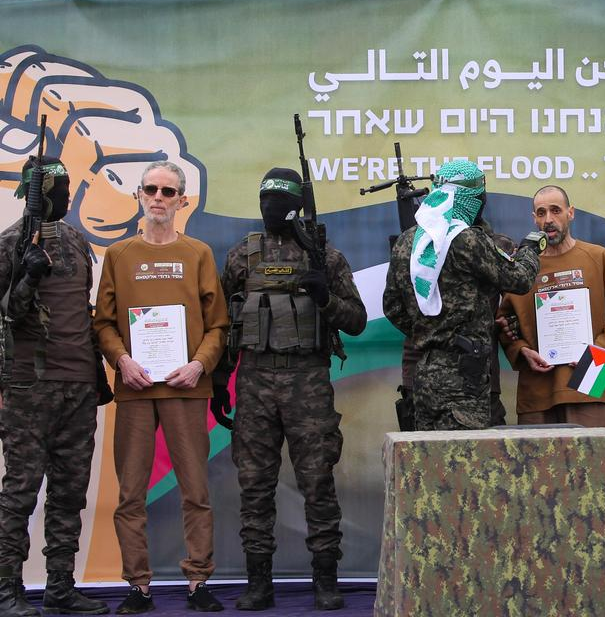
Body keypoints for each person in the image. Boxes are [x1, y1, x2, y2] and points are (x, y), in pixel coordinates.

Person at [215, 168, 367, 610]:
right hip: (255, 379)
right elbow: (226, 324)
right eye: (265, 200)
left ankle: (325, 579)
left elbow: (355, 321)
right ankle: (259, 583)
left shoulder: (326, 258)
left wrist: (325, 298)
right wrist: (219, 382)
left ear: (296, 206)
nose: (270, 209)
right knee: (255, 484)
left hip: (308, 382)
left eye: (280, 202)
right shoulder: (242, 257)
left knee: (318, 482)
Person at [93, 161, 228, 613]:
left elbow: (219, 326)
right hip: (134, 389)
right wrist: (122, 359)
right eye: (150, 189)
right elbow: (104, 324)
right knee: (130, 492)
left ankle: (198, 582)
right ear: (138, 195)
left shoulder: (199, 254)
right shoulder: (118, 256)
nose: (157, 197)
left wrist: (198, 365)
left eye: (167, 192)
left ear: (181, 201)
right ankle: (138, 585)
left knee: (196, 490)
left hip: (187, 388)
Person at [0, 157, 110, 616]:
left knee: (69, 491)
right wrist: (27, 277)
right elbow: (6, 314)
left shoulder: (74, 240)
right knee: (21, 492)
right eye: (60, 190)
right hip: (29, 387)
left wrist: (98, 373)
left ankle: (60, 586)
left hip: (78, 386)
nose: (67, 197)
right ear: (39, 195)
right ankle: (7, 592)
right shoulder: (9, 243)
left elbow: (82, 312)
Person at [383, 160, 541, 430]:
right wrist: (530, 250)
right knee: (463, 462)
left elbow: (392, 306)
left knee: (430, 461)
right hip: (464, 377)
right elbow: (519, 279)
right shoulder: (466, 238)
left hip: (424, 374)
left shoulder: (408, 241)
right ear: (474, 199)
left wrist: (431, 330)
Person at [496, 186, 605, 427]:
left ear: (571, 213)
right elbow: (502, 322)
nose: (548, 219)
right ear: (533, 218)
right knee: (537, 464)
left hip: (589, 383)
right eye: (541, 212)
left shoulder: (598, 257)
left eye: (556, 211)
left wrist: (596, 353)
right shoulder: (519, 267)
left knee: (593, 461)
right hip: (536, 391)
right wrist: (520, 350)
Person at [395, 221, 515, 430]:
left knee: (482, 454)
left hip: (477, 376)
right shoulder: (415, 243)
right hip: (424, 377)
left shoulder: (492, 244)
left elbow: (513, 306)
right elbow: (395, 306)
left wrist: (507, 329)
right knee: (426, 456)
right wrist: (435, 334)